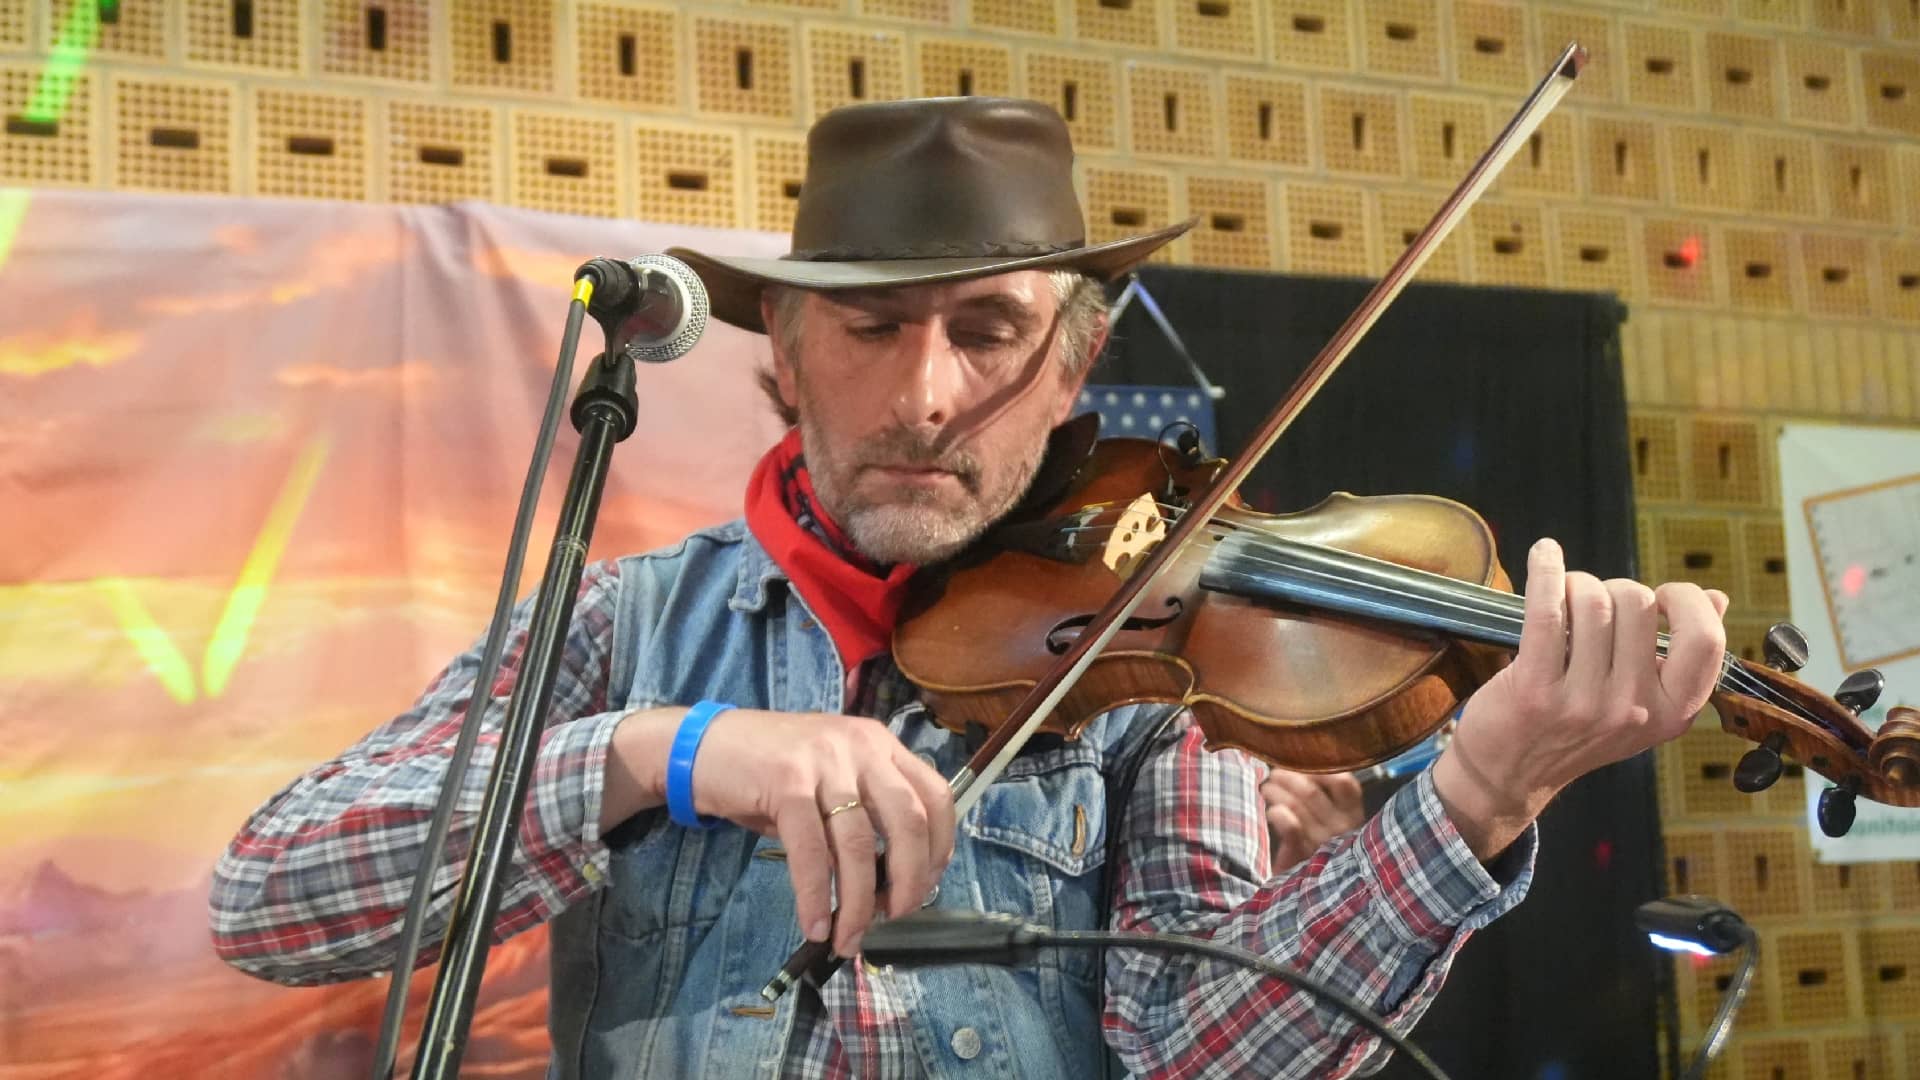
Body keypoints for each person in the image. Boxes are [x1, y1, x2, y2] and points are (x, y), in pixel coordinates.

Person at [210, 97, 1729, 1079]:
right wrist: (660, 751)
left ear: (1074, 366)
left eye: (989, 332)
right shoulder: (625, 625)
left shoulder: (1161, 684)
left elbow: (1195, 1056)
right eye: (869, 329)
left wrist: (1476, 795)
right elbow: (269, 896)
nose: (924, 394)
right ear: (785, 353)